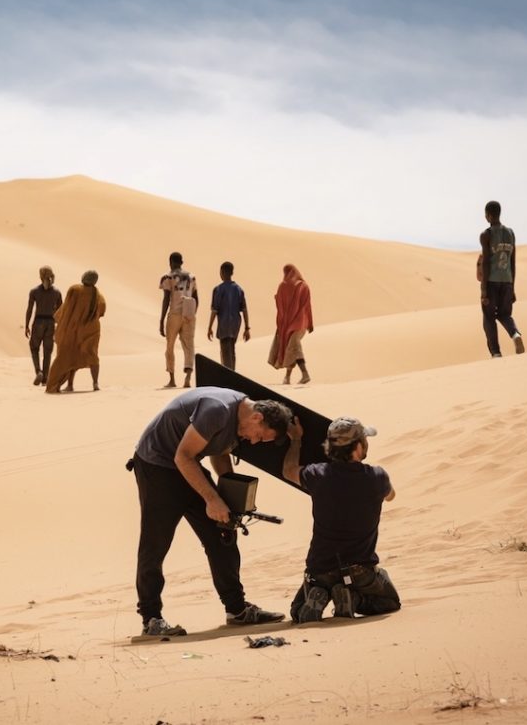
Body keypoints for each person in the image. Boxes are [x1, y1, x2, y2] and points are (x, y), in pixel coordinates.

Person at [131, 387, 292, 636]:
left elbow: (219, 450)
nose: (254, 441)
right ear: (257, 417)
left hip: (187, 467)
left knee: (223, 533)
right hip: (157, 466)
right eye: (260, 436)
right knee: (155, 544)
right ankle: (151, 618)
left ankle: (237, 610)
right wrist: (212, 498)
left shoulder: (240, 417)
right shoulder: (217, 409)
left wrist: (228, 493)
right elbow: (182, 456)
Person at [282, 416, 400, 622]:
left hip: (320, 570)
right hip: (359, 570)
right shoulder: (377, 477)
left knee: (297, 612)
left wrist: (296, 440)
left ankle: (322, 592)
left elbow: (289, 471)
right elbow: (391, 496)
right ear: (357, 447)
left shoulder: (317, 475)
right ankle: (353, 598)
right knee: (389, 602)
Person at [45, 270, 105, 393]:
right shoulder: (98, 294)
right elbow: (102, 311)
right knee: (92, 356)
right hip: (92, 330)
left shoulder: (75, 290)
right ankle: (95, 383)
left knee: (69, 355)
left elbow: (66, 308)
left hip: (74, 330)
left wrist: (59, 319)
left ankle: (69, 384)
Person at [479, 201, 525, 358]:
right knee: (505, 315)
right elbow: (512, 261)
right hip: (507, 281)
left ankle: (496, 352)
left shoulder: (486, 235)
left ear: (489, 215)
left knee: (488, 317)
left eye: (486, 215)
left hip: (491, 282)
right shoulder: (510, 233)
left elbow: (485, 263)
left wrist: (483, 289)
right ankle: (515, 335)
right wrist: (512, 286)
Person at [268, 264, 313, 384]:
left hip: (296, 323)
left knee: (294, 346)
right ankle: (287, 377)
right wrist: (310, 323)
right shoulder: (303, 286)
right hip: (297, 323)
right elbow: (308, 306)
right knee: (291, 348)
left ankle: (305, 374)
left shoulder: (285, 286)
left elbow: (280, 305)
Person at [159, 251, 199, 388]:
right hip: (189, 313)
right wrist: (192, 315)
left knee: (170, 346)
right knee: (189, 346)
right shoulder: (192, 277)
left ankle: (172, 379)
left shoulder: (167, 277)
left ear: (170, 262)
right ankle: (188, 377)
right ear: (181, 262)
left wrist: (161, 319)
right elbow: (196, 298)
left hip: (174, 314)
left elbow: (166, 299)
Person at [206, 261, 251, 371]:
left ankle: (228, 375)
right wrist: (247, 328)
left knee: (225, 350)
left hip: (224, 324)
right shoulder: (239, 289)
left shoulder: (218, 289)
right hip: (236, 324)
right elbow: (244, 310)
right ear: (232, 272)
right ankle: (232, 372)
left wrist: (209, 327)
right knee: (231, 349)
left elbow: (214, 310)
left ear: (221, 272)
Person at [25, 266, 63, 386]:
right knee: (48, 351)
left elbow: (30, 310)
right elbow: (60, 311)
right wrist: (59, 326)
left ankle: (38, 371)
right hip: (50, 323)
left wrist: (26, 325)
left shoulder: (34, 291)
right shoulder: (57, 292)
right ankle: (45, 378)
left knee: (34, 348)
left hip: (38, 322)